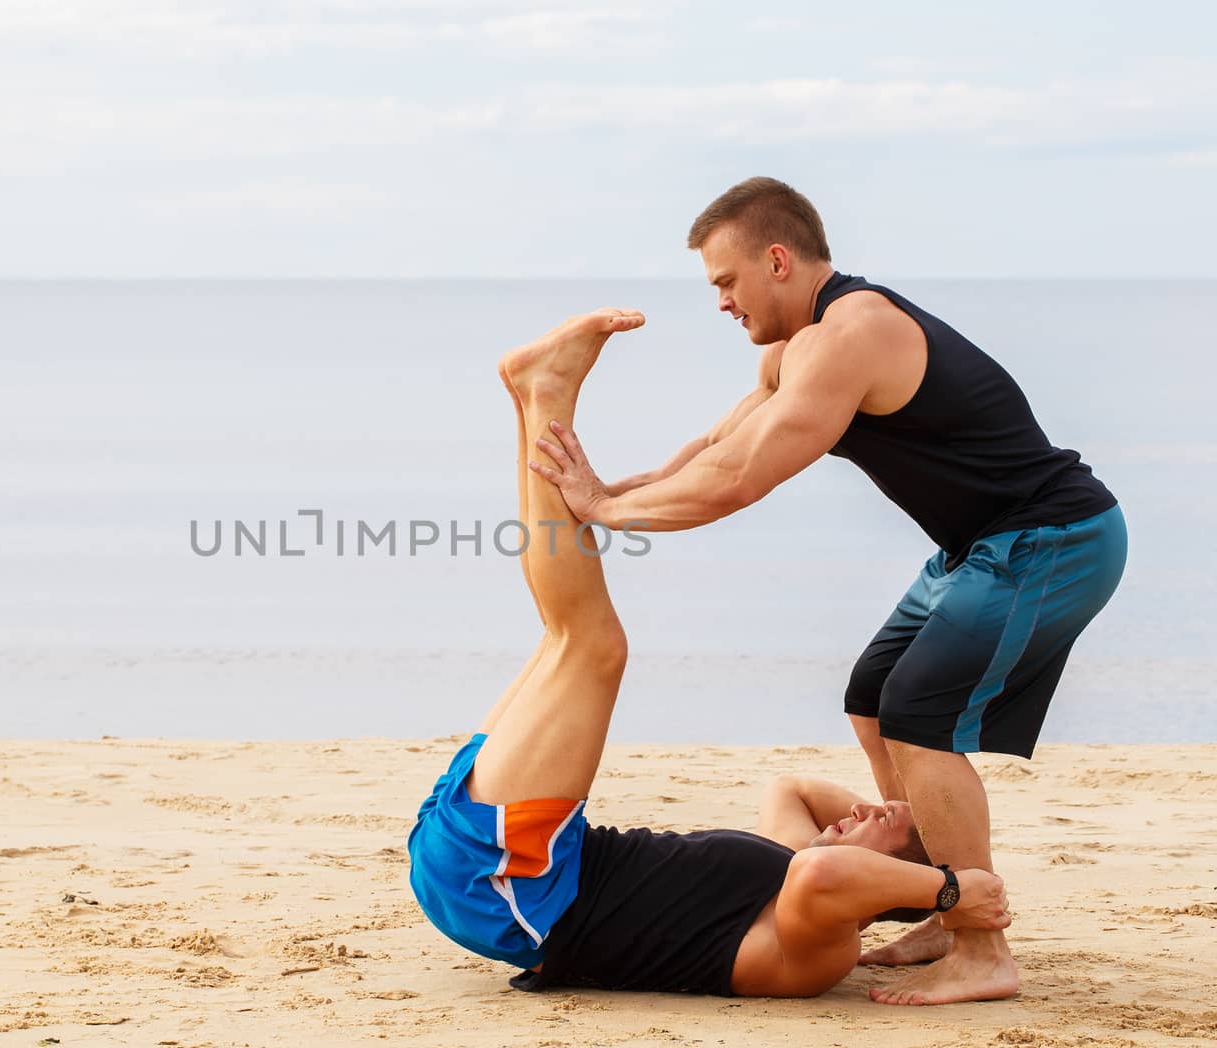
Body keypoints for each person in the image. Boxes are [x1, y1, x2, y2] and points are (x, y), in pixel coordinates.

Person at [526, 178, 1127, 1005]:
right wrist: (612, 490)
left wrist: (607, 511)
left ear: (778, 259)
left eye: (726, 282)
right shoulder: (794, 348)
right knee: (873, 698)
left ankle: (983, 947)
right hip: (978, 548)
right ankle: (932, 897)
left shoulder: (856, 332)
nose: (723, 303)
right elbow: (716, 445)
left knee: (922, 716)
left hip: (1053, 539)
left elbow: (739, 480)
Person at [407, 309, 1010, 999]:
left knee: (592, 644)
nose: (867, 809)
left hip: (515, 882)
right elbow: (792, 789)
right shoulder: (793, 858)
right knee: (566, 636)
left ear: (885, 888)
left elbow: (829, 877)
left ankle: (548, 393)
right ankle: (531, 403)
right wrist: (906, 829)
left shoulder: (819, 943)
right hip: (516, 856)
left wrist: (949, 887)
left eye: (880, 826)